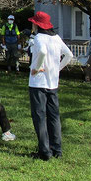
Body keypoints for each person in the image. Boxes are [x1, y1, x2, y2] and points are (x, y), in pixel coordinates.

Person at [28, 11, 73, 161]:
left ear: (37, 24)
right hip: (53, 83)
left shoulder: (39, 38)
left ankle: (44, 151)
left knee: (39, 116)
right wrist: (57, 69)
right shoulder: (56, 38)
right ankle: (57, 148)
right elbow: (69, 55)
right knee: (54, 116)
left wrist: (37, 67)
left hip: (38, 83)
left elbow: (41, 51)